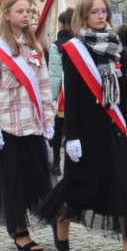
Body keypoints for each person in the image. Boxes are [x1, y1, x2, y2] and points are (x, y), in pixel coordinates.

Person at [35, 0, 127, 251]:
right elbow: (73, 96)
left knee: (123, 184)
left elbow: (121, 91)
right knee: (84, 186)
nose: (101, 16)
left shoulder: (114, 45)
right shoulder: (75, 49)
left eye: (104, 11)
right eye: (95, 12)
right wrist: (72, 137)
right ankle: (63, 219)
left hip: (113, 126)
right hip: (87, 130)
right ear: (83, 16)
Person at [0, 0, 55, 251]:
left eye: (28, 11)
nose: (25, 15)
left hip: (33, 125)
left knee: (40, 179)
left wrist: (48, 120)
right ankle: (19, 230)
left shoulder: (35, 48)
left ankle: (55, 221)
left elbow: (45, 86)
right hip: (9, 127)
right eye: (19, 11)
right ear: (6, 15)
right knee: (14, 183)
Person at [47, 9, 74, 175]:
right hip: (77, 91)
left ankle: (56, 163)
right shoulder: (80, 41)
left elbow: (55, 74)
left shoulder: (56, 45)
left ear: (62, 24)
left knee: (58, 130)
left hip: (63, 92)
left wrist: (53, 97)